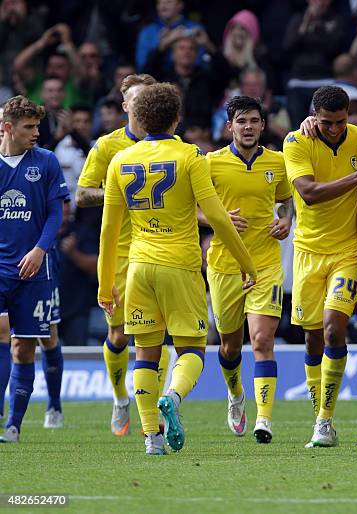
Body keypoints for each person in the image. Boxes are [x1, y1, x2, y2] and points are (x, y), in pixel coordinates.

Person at [97, 82, 257, 455]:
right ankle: (173, 395)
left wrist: (106, 286)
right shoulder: (189, 156)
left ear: (137, 117)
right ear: (177, 118)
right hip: (181, 266)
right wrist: (245, 263)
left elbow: (108, 232)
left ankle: (152, 438)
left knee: (145, 354)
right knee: (191, 351)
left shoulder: (120, 160)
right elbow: (216, 215)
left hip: (137, 268)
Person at [283, 85, 357, 447]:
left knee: (334, 329)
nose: (335, 129)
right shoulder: (296, 141)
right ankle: (320, 415)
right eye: (327, 123)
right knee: (313, 337)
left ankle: (324, 421)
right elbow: (309, 194)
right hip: (307, 254)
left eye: (341, 122)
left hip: (347, 252)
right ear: (314, 116)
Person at [75, 74, 167, 437]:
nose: (141, 104)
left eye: (148, 97)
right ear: (125, 105)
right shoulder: (106, 146)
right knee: (118, 334)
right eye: (135, 99)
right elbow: (82, 195)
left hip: (160, 247)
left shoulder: (169, 146)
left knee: (156, 334)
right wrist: (117, 195)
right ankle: (119, 396)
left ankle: (154, 408)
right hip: (120, 252)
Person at [206, 96, 293, 443]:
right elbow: (191, 208)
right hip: (224, 266)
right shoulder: (210, 163)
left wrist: (285, 221)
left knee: (261, 339)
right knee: (229, 346)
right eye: (241, 121)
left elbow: (286, 202)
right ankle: (235, 394)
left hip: (266, 264)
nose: (248, 127)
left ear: (262, 125)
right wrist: (218, 218)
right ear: (230, 126)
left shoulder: (278, 162)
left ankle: (265, 418)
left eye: (254, 121)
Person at [0, 95, 69, 442]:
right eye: (29, 127)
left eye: (37, 126)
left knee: (31, 344)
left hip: (36, 267)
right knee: (3, 336)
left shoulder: (45, 162)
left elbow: (56, 212)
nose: (36, 133)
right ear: (7, 128)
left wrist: (41, 250)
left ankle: (22, 420)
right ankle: (5, 420)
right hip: (1, 268)